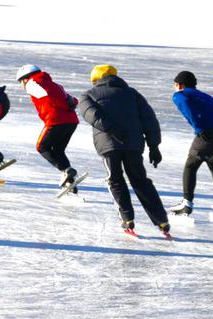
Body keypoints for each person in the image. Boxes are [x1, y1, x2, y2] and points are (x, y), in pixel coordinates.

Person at [78, 64, 170, 236]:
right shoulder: (132, 93)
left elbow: (92, 115)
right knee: (140, 181)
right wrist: (154, 146)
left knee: (115, 180)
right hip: (133, 144)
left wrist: (113, 130)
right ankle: (162, 221)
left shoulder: (88, 95)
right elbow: (149, 119)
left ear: (96, 79)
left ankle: (127, 219)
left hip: (108, 145)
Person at [169, 71, 213, 216]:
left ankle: (186, 203)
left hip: (209, 133)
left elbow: (186, 105)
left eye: (175, 85)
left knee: (190, 165)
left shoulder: (180, 95)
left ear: (180, 85)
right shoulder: (205, 96)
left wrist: (198, 128)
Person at [16, 64, 80, 191]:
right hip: (71, 120)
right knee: (58, 150)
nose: (21, 86)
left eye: (20, 82)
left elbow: (49, 95)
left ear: (25, 78)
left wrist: (58, 105)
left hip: (55, 120)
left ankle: (66, 170)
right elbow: (73, 100)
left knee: (42, 147)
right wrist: (67, 105)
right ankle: (70, 182)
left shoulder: (32, 83)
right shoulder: (53, 84)